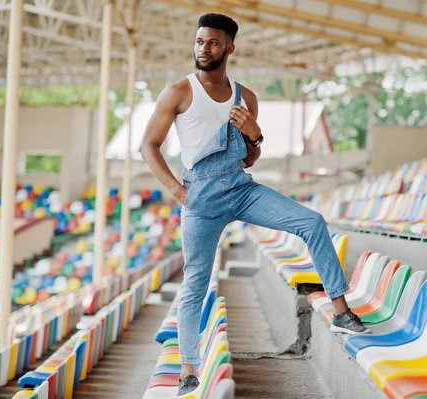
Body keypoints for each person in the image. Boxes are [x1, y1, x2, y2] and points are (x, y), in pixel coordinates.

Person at [140, 13, 371, 395]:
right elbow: (148, 146)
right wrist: (180, 192)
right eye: (199, 41)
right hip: (200, 196)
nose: (203, 48)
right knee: (196, 282)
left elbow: (249, 159)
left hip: (241, 187)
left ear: (229, 47)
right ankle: (187, 369)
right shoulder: (179, 91)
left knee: (312, 222)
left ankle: (342, 311)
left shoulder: (246, 97)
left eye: (213, 42)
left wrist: (255, 134)